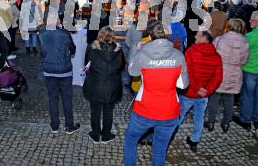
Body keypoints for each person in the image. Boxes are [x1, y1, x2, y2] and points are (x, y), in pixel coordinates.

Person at [124, 21, 188, 166]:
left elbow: (132, 71)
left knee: (130, 140)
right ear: (168, 36)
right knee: (160, 149)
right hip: (169, 111)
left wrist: (136, 51)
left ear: (150, 36)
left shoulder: (142, 54)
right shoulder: (178, 56)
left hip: (145, 109)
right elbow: (183, 85)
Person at [180, 30, 223, 153]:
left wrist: (197, 88)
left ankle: (168, 137)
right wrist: (207, 90)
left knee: (179, 116)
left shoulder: (191, 52)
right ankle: (195, 140)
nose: (194, 36)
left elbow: (187, 73)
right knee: (199, 117)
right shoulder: (216, 56)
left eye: (197, 35)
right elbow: (218, 78)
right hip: (204, 95)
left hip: (189, 93)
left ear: (204, 38)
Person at [205, 19, 249, 133]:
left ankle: (211, 122)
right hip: (234, 73)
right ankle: (226, 123)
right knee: (229, 99)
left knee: (214, 98)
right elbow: (244, 60)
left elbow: (212, 56)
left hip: (219, 71)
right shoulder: (244, 42)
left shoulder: (220, 39)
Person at [83, 26, 125, 144]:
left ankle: (95, 134)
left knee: (95, 110)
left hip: (95, 84)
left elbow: (86, 64)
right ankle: (106, 135)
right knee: (108, 111)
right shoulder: (118, 50)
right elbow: (122, 67)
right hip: (112, 86)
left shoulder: (92, 48)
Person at [38, 19, 80, 134]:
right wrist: (66, 54)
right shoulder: (64, 33)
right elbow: (73, 49)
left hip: (49, 70)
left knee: (52, 98)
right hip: (64, 70)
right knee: (66, 98)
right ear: (57, 20)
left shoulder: (41, 34)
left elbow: (41, 52)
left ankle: (55, 125)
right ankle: (69, 126)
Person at [233, 11, 258, 131]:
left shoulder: (250, 37)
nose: (249, 21)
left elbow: (241, 55)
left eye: (252, 20)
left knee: (248, 96)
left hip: (250, 70)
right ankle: (257, 119)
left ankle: (245, 119)